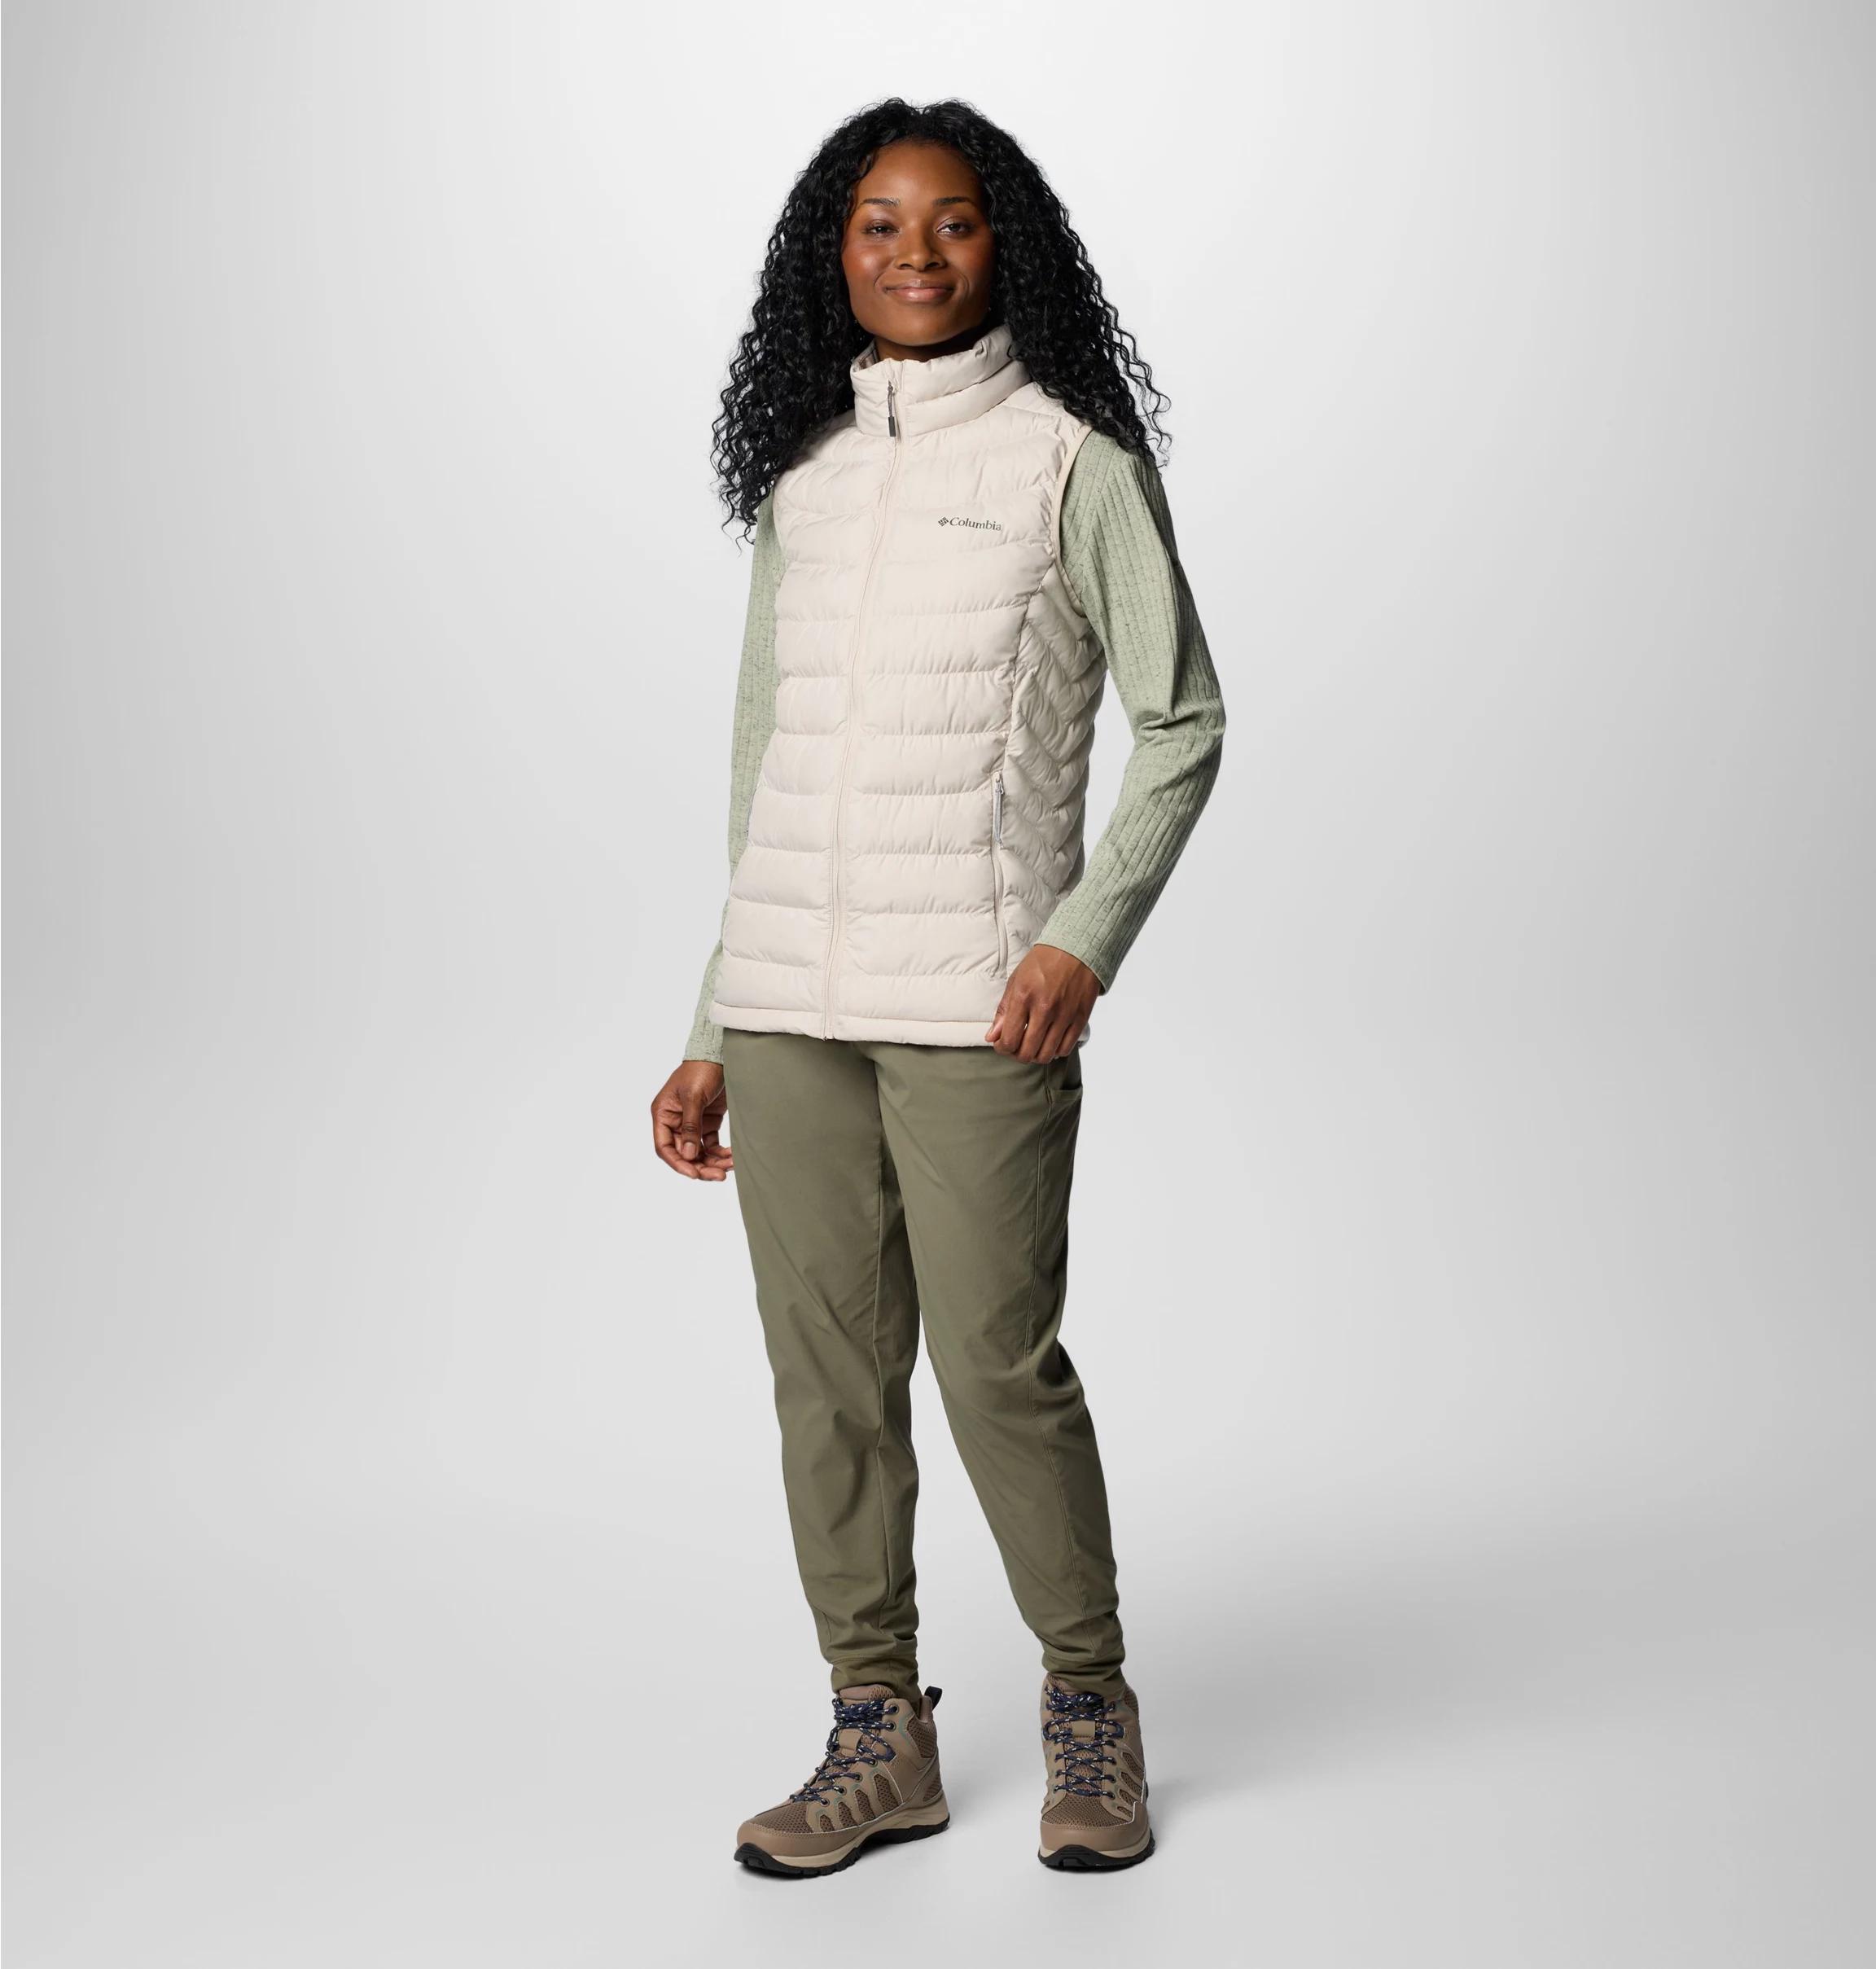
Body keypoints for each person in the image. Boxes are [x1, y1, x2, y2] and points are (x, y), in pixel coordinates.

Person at [651, 98, 1226, 1877]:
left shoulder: (1072, 461)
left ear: (1006, 243)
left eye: (955, 219)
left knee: (994, 1366)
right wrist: (712, 1023)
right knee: (827, 1382)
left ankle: (1089, 1702)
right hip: (790, 1009)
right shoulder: (808, 480)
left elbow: (1185, 722)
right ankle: (875, 1730)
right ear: (833, 251)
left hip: (982, 999)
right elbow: (767, 766)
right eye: (880, 222)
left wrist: (1082, 937)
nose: (917, 250)